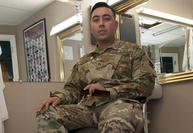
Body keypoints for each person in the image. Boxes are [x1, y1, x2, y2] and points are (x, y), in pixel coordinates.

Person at [36, 2, 156, 133]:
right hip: (88, 109)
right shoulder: (83, 61)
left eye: (106, 18)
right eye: (96, 20)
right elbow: (73, 89)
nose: (101, 23)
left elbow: (146, 85)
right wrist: (59, 97)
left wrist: (107, 89)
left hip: (120, 106)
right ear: (91, 28)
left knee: (114, 122)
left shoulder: (133, 51)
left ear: (115, 25)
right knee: (46, 114)